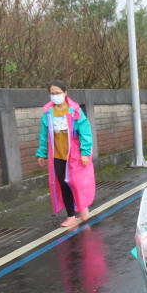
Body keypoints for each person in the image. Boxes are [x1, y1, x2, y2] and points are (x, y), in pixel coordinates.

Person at [36, 80, 95, 228]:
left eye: (58, 93)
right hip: (57, 155)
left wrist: (85, 153)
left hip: (74, 154)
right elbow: (44, 135)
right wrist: (41, 153)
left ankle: (83, 207)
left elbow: (85, 132)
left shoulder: (74, 110)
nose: (55, 96)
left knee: (77, 182)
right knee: (63, 184)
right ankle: (70, 216)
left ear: (65, 93)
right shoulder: (48, 113)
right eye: (52, 93)